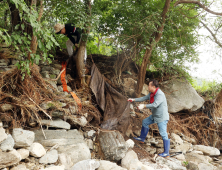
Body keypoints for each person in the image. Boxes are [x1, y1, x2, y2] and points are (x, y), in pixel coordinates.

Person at [128, 79, 170, 157]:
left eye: (149, 85)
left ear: (153, 86)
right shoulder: (152, 93)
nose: (148, 86)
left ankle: (166, 152)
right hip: (155, 115)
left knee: (163, 134)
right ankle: (142, 138)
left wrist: (144, 106)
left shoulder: (160, 94)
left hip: (161, 117)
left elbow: (155, 104)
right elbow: (143, 98)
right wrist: (133, 99)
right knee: (145, 122)